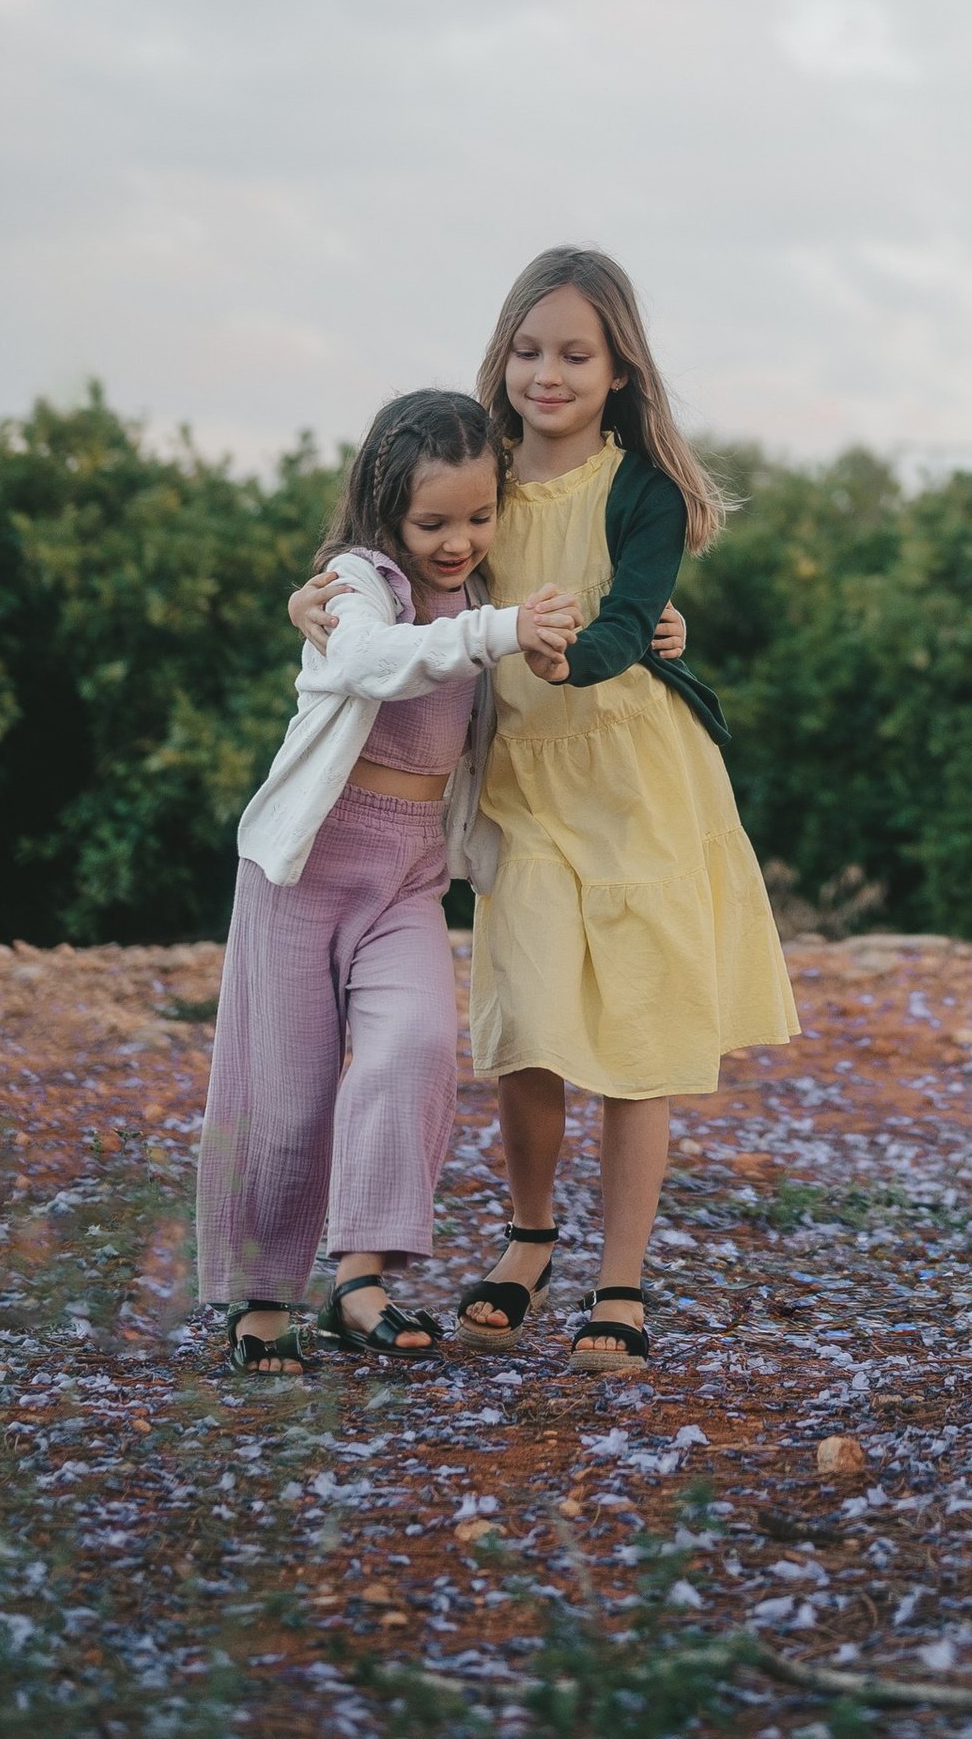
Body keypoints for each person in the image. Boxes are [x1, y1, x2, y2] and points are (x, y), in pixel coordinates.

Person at [290, 248, 799, 1376]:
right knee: (526, 1024)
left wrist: (587, 653)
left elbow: (632, 612)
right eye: (527, 350)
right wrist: (308, 594)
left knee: (635, 1036)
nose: (546, 372)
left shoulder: (643, 488)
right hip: (521, 783)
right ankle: (529, 1238)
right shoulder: (482, 470)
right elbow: (392, 556)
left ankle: (621, 1282)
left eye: (574, 352)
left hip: (633, 783)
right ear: (502, 356)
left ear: (620, 368)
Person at [199, 385, 597, 1369]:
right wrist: (498, 630)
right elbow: (379, 661)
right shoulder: (358, 582)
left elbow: (572, 602)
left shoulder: (482, 589)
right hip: (306, 865)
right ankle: (260, 1302)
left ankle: (359, 1279)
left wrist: (646, 626)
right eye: (433, 523)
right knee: (285, 1094)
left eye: (478, 517)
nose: (458, 541)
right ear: (387, 511)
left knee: (415, 1043)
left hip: (409, 869)